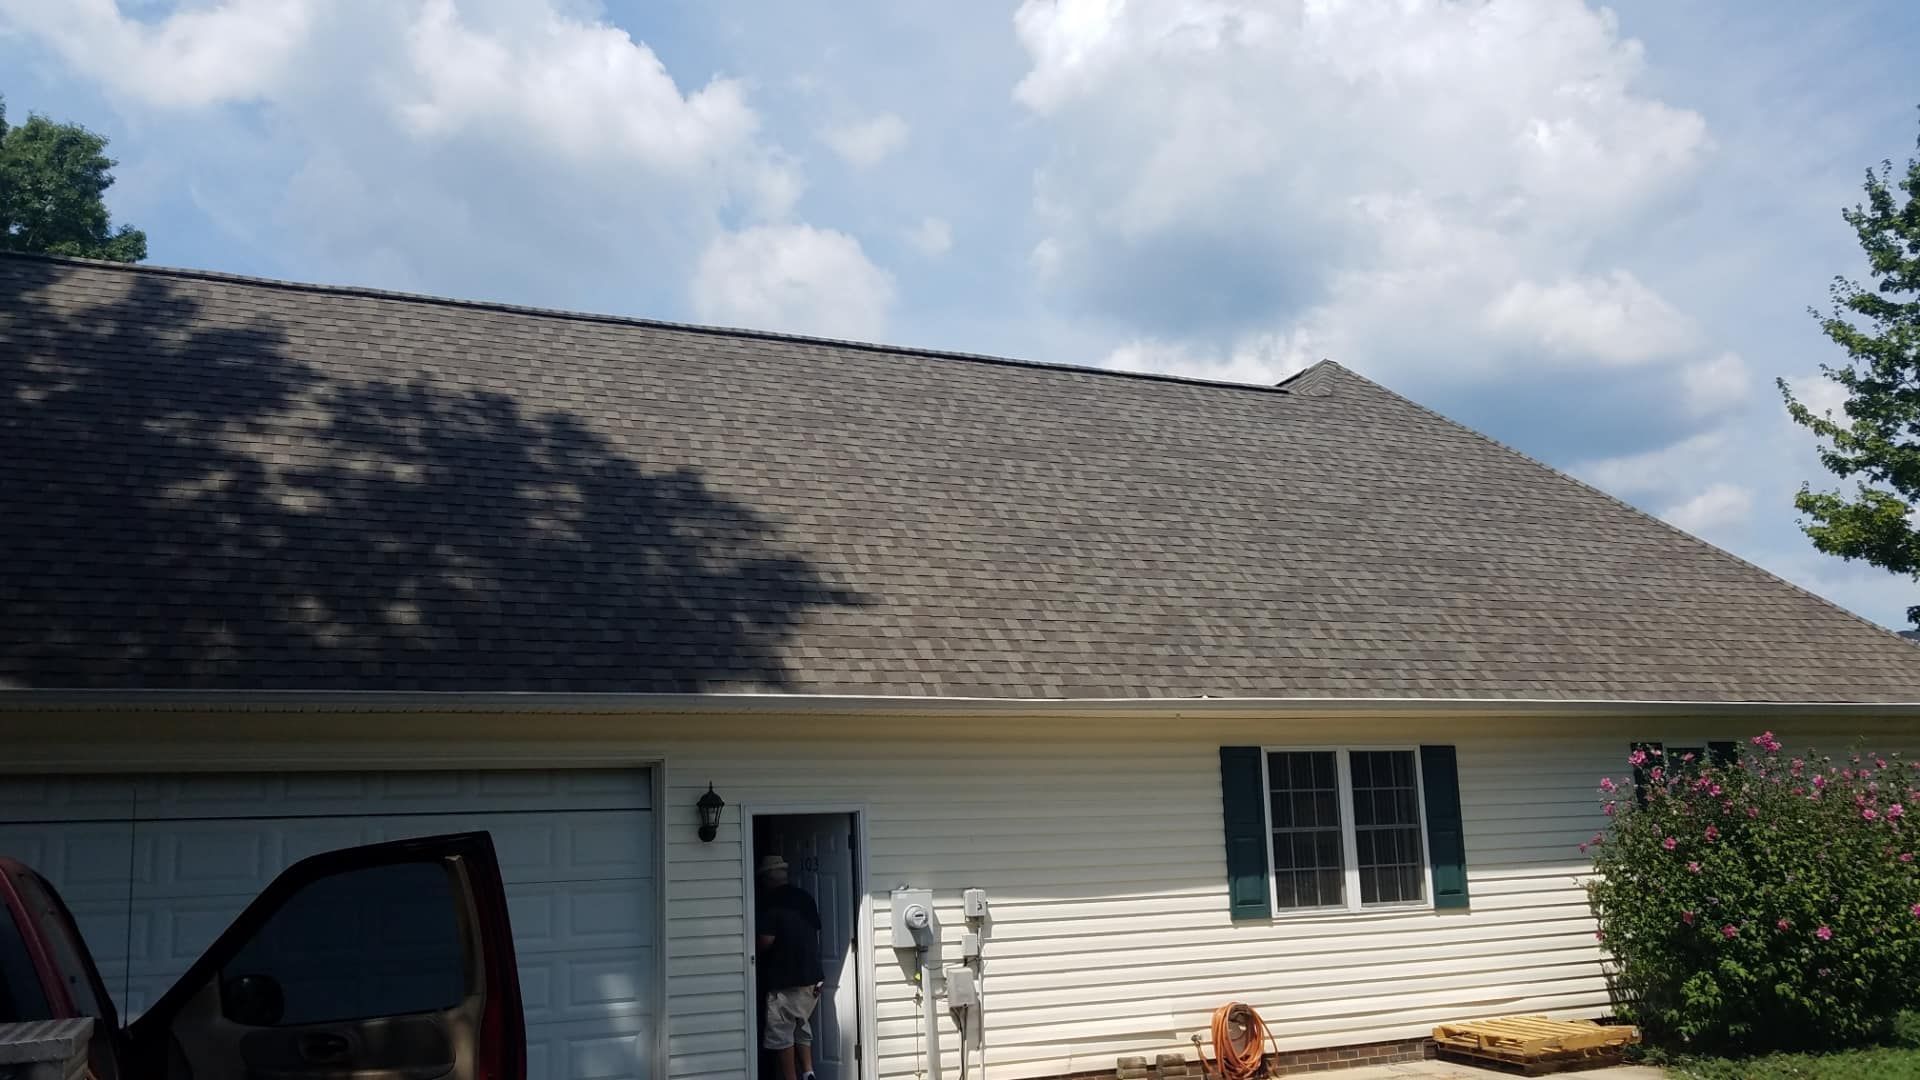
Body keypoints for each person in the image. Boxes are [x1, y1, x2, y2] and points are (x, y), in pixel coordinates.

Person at [756, 855, 824, 1080]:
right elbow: (814, 933)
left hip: (785, 980)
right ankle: (808, 1072)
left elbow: (766, 941)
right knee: (801, 1027)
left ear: (766, 878)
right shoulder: (805, 898)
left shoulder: (770, 903)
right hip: (812, 978)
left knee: (781, 1035)